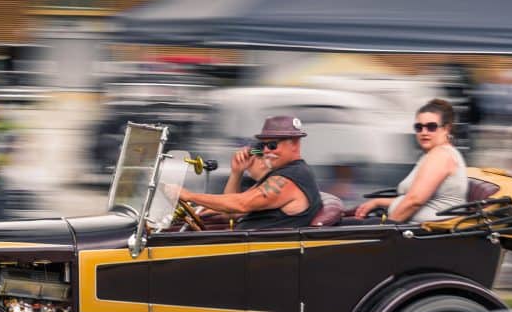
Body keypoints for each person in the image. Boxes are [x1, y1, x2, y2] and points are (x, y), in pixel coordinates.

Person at [176, 116, 322, 230]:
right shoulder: (279, 174)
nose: (265, 151)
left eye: (272, 145)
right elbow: (231, 213)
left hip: (262, 255)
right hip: (247, 248)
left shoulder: (291, 178)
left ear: (294, 144)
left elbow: (242, 204)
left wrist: (189, 195)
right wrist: (237, 172)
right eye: (263, 145)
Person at [355, 98, 467, 223]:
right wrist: (377, 202)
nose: (424, 132)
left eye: (431, 127)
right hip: (407, 227)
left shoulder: (441, 155)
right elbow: (413, 198)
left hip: (419, 233)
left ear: (446, 128)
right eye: (419, 127)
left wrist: (387, 229)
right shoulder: (433, 154)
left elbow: (414, 201)